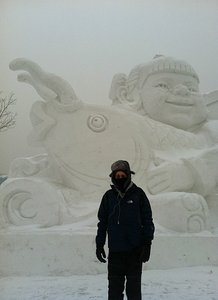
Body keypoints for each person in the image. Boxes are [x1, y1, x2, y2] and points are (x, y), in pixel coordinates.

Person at [96, 160, 155, 300]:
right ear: (112, 177)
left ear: (128, 175)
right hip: (115, 252)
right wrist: (99, 244)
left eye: (123, 175)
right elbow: (102, 222)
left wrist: (147, 243)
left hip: (135, 252)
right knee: (114, 292)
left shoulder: (139, 195)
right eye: (117, 176)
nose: (120, 178)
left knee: (134, 292)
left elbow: (148, 221)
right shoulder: (108, 197)